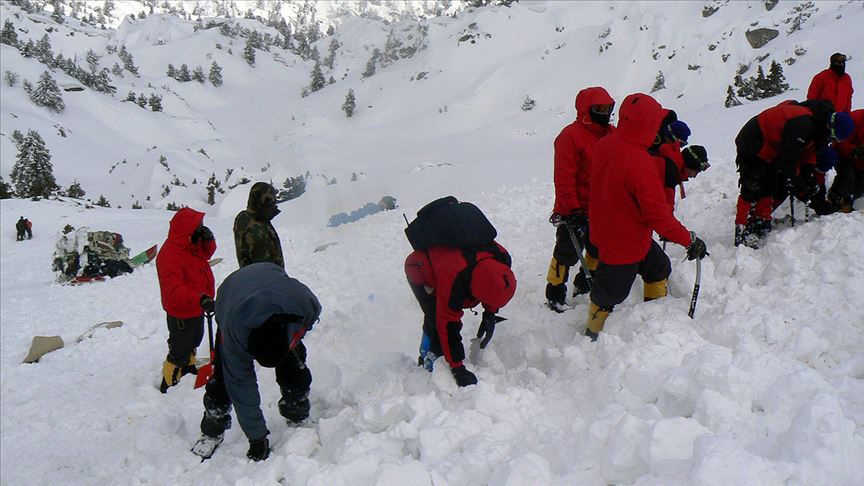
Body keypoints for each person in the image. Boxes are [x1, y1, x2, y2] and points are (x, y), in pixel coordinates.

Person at [586, 93, 708, 341]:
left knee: (659, 266)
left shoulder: (605, 145)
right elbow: (658, 216)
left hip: (609, 230)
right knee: (609, 292)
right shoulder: (640, 162)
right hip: (624, 243)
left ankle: (653, 321)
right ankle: (592, 337)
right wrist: (688, 239)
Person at [196, 262, 321, 462]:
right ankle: (212, 428)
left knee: (295, 367)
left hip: (273, 281)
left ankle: (297, 412)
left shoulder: (303, 306)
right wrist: (257, 438)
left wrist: (294, 339)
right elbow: (241, 385)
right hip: (232, 294)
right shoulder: (235, 335)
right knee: (224, 379)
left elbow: (311, 317)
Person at [733, 99, 854, 248]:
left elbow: (809, 152)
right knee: (752, 185)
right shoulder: (804, 125)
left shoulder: (818, 128)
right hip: (754, 139)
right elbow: (789, 159)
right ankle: (742, 228)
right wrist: (797, 181)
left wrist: (808, 175)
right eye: (833, 137)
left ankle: (761, 221)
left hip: (773, 145)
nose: (832, 141)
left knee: (770, 183)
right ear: (830, 127)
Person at [405, 242, 516, 387]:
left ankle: (434, 350)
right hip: (419, 268)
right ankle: (427, 355)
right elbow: (447, 322)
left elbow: (496, 283)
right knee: (435, 318)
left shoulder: (501, 257)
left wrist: (490, 312)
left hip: (446, 264)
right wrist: (457, 367)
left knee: (440, 318)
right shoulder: (455, 276)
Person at [545, 86, 615, 312]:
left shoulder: (612, 134)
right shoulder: (570, 136)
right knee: (566, 252)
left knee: (598, 248)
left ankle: (583, 284)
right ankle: (555, 291)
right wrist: (571, 210)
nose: (604, 113)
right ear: (587, 109)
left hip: (602, 207)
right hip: (574, 209)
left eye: (607, 108)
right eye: (599, 108)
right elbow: (564, 177)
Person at [156, 207, 216, 393]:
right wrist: (200, 298)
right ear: (187, 229)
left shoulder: (190, 246)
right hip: (181, 311)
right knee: (179, 348)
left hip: (197, 306)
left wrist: (208, 240)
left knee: (194, 340)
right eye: (198, 226)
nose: (201, 228)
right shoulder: (169, 255)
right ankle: (169, 382)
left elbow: (206, 255)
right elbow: (174, 290)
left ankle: (189, 367)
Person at [234, 182, 284, 268]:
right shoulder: (258, 232)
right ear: (264, 202)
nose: (275, 206)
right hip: (267, 279)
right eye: (272, 202)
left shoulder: (243, 217)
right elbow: (266, 271)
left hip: (249, 276)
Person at [828, 109, 864, 212]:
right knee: (847, 176)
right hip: (842, 154)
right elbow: (838, 143)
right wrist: (854, 150)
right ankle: (835, 197)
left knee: (859, 186)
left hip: (859, 161)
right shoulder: (855, 119)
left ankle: (852, 197)